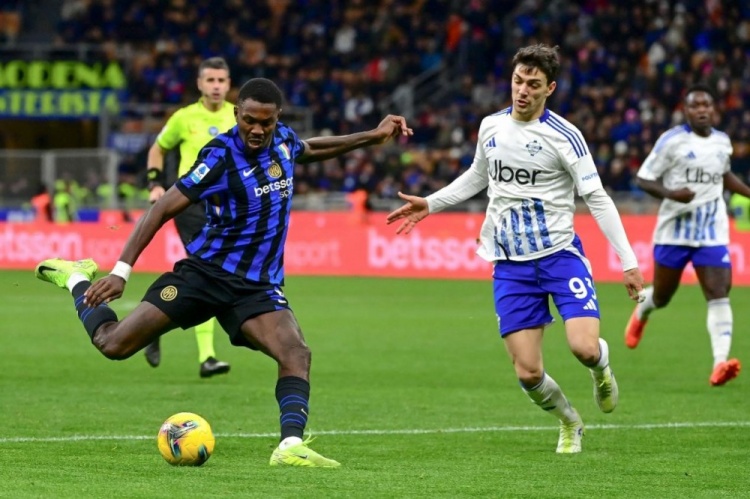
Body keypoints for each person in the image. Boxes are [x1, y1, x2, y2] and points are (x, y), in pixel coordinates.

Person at [35, 77, 413, 467]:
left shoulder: (283, 140)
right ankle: (75, 277)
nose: (257, 129)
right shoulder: (219, 156)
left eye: (266, 122)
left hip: (257, 287)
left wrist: (372, 136)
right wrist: (120, 271)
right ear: (237, 114)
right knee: (113, 344)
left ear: (277, 118)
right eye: (250, 120)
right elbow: (162, 208)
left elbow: (312, 147)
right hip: (206, 275)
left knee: (295, 352)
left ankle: (289, 445)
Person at [386, 44, 644, 454]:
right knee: (528, 373)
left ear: (550, 88)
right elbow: (478, 176)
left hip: (560, 255)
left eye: (533, 84)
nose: (523, 90)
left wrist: (628, 262)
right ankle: (570, 422)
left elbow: (597, 198)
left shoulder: (566, 136)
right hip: (510, 263)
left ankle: (601, 369)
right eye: (518, 81)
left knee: (583, 348)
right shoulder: (491, 126)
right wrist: (431, 203)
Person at [625, 84, 748, 386]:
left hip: (711, 231)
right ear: (686, 110)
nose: (702, 110)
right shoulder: (672, 141)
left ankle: (720, 363)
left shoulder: (722, 142)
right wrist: (671, 193)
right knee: (662, 296)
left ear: (714, 109)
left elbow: (724, 175)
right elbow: (643, 178)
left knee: (718, 293)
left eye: (706, 105)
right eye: (695, 105)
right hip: (674, 231)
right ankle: (642, 312)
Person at [144, 57, 237, 378]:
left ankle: (151, 320)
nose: (216, 86)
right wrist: (155, 183)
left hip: (228, 208)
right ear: (199, 84)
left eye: (221, 80)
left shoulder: (237, 116)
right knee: (207, 268)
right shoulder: (184, 118)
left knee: (207, 272)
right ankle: (207, 356)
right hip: (191, 204)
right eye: (210, 80)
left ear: (228, 84)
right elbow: (157, 149)